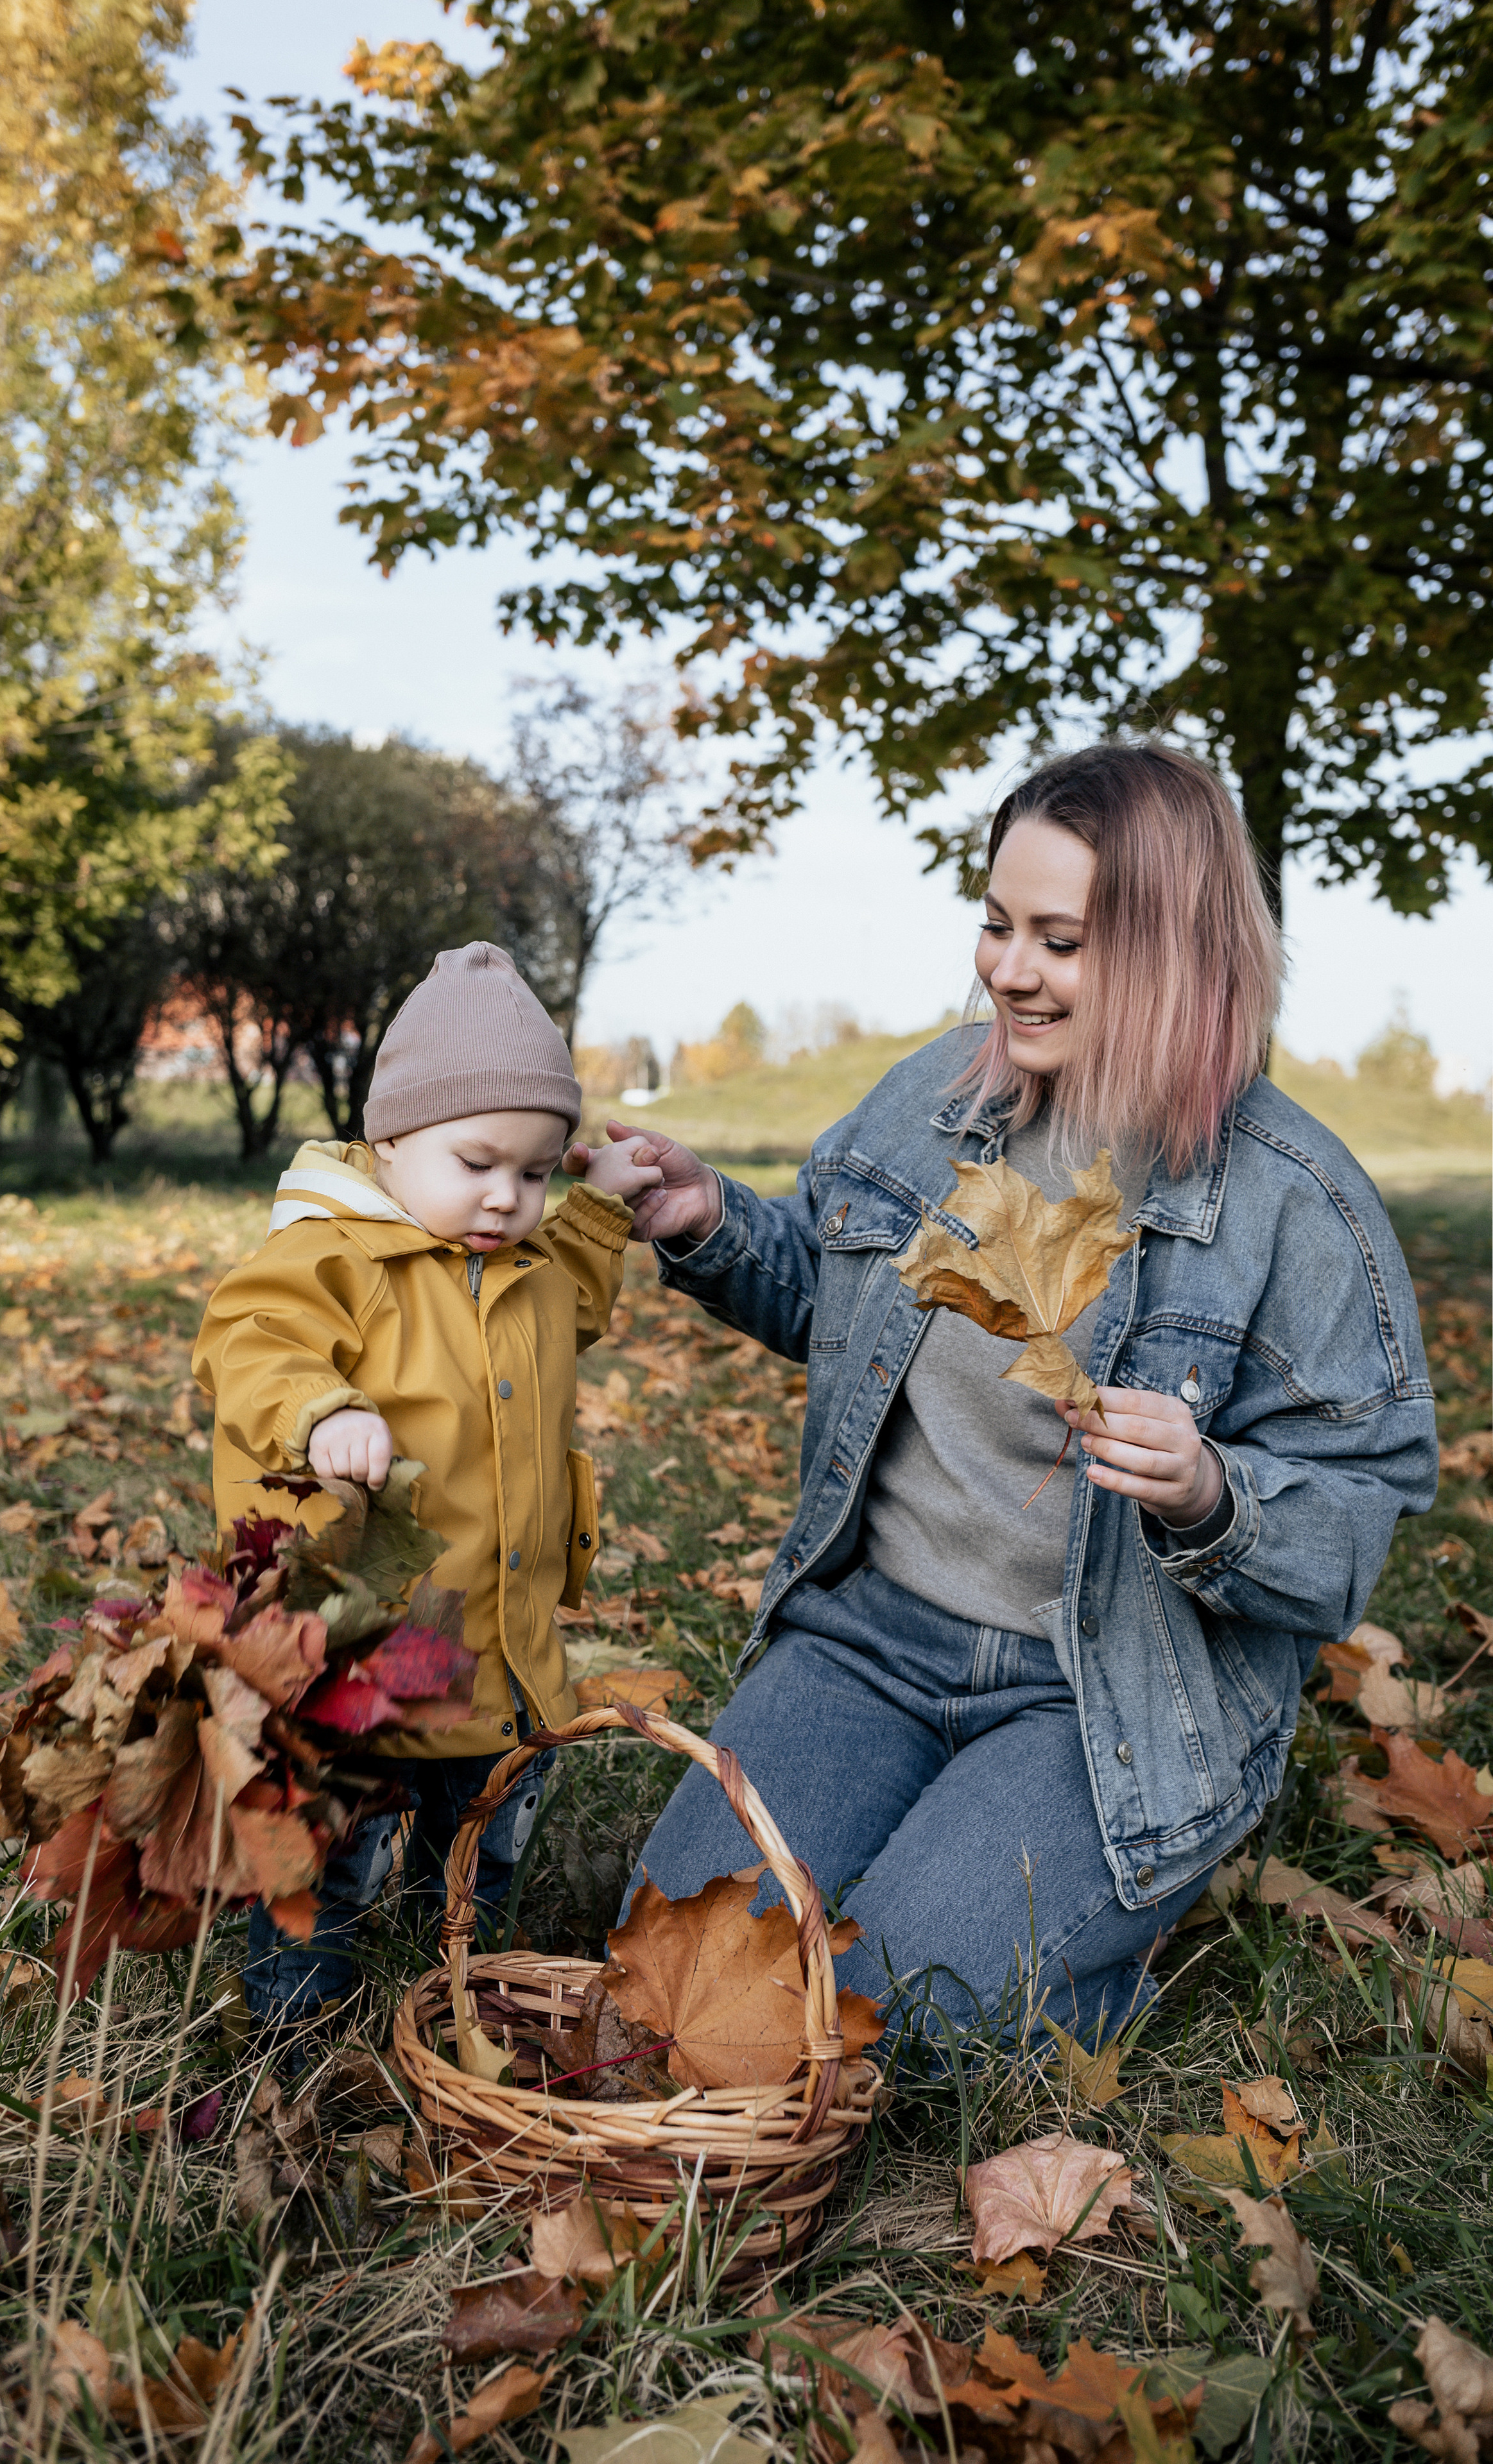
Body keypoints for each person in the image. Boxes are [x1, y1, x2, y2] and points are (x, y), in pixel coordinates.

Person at [571, 744, 1437, 2058]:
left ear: (1173, 950)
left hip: (1102, 1696)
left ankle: (1090, 1926)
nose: (1005, 970)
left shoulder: (1294, 1205)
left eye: (1058, 940)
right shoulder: (933, 1099)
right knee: (678, 1971)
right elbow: (831, 1293)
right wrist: (711, 1226)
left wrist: (1213, 1495)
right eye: (993, 924)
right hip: (868, 1641)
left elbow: (1352, 1518)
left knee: (900, 2017)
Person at [193, 941, 662, 2031]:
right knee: (334, 1848)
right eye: (478, 1162)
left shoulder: (529, 1264)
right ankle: (295, 2025)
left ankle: (462, 1985)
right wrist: (323, 1408)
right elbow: (250, 1340)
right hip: (377, 1640)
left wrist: (598, 1213)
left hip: (503, 1627)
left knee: (484, 1832)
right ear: (390, 1142)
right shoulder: (333, 1256)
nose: (508, 1197)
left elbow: (576, 1306)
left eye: (538, 1173)